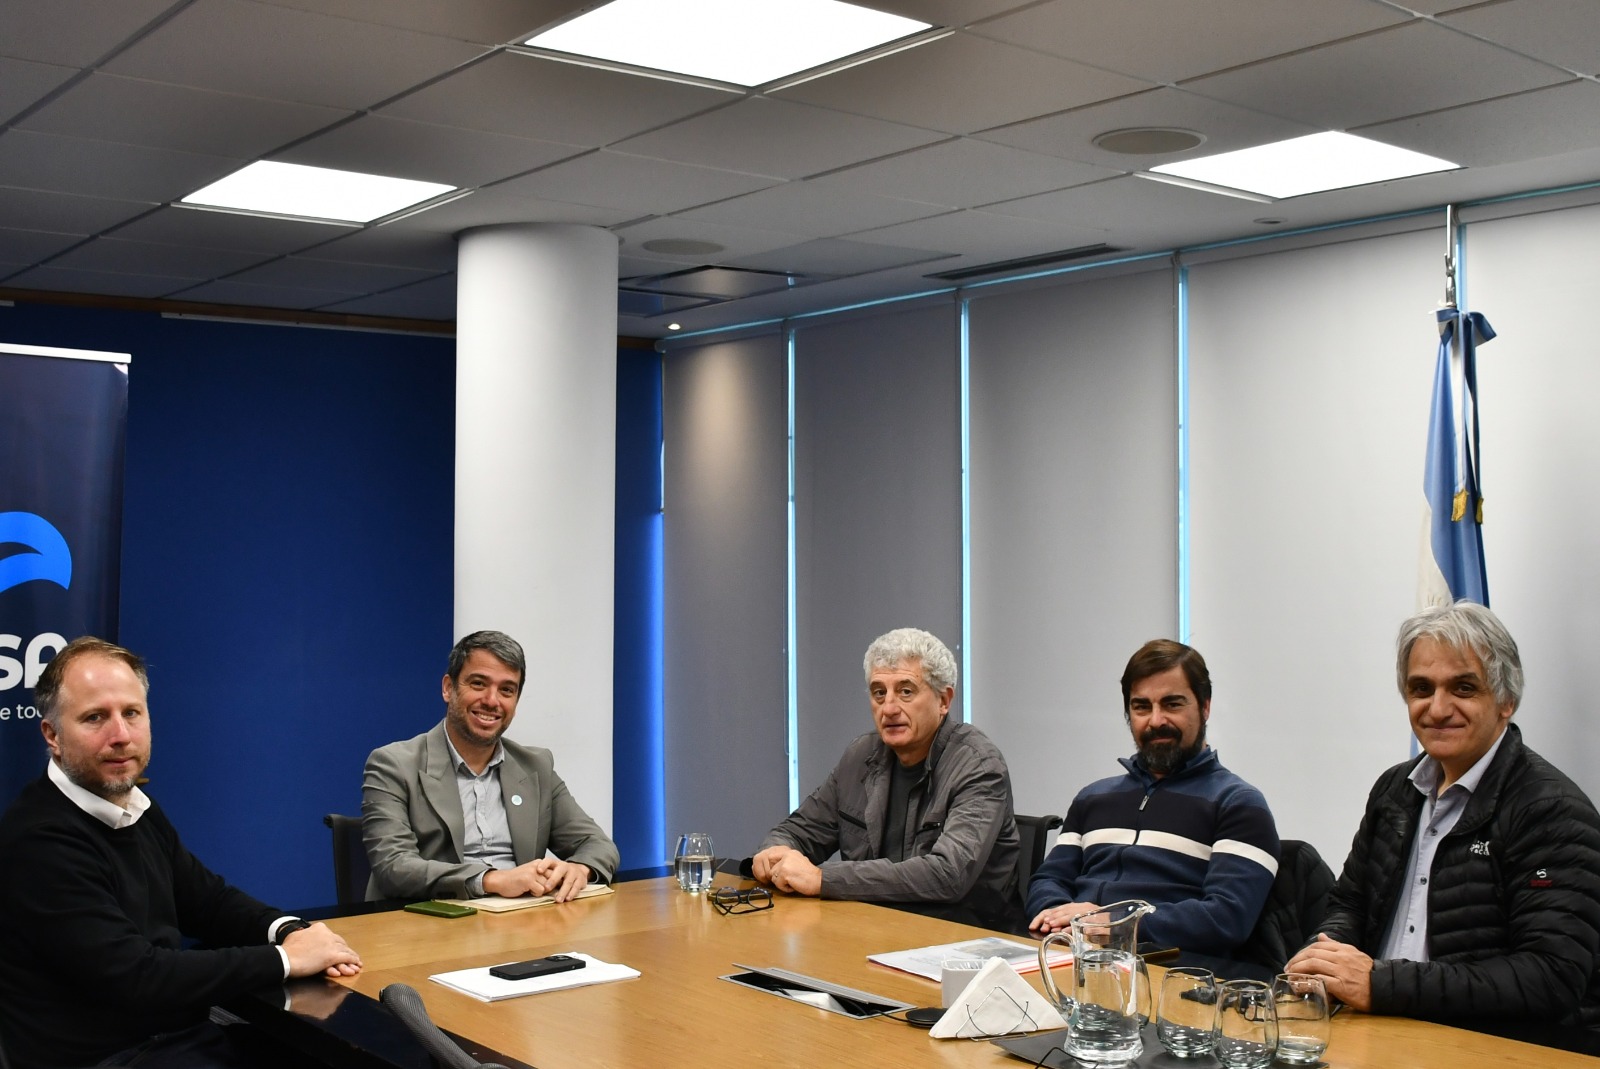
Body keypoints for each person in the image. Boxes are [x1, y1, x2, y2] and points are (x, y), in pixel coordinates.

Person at [0, 637, 362, 1069]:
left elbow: (208, 901)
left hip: (174, 1039)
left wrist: (290, 930)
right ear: (52, 735)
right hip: (109, 1058)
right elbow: (138, 976)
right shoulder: (39, 840)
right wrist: (287, 959)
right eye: (95, 717)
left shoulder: (134, 806)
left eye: (131, 713)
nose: (121, 735)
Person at [1287, 602, 1600, 1026]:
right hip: (1375, 1029)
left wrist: (1381, 984)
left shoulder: (1551, 811)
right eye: (1421, 689)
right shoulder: (1395, 789)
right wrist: (1326, 962)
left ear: (1506, 700)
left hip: (1481, 1045)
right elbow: (1351, 903)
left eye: (1463, 688)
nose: (1437, 708)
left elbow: (1550, 978)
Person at [753, 627, 1021, 930]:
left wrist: (823, 879)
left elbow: (948, 875)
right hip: (875, 928)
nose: (889, 708)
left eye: (906, 691)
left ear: (944, 700)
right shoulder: (861, 756)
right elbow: (801, 830)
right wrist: (775, 851)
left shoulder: (979, 766)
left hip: (963, 939)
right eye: (879, 693)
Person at [1026, 639, 1280, 956]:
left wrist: (1114, 922)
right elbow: (1047, 879)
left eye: (1172, 704)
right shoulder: (1093, 798)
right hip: (1071, 953)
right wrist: (1058, 918)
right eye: (1142, 707)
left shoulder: (1239, 804)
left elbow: (1226, 918)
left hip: (1165, 969)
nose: (1156, 720)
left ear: (1205, 707)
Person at [363, 629, 618, 902]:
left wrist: (579, 869)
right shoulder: (393, 765)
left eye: (506, 690)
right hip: (428, 918)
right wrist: (492, 880)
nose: (492, 701)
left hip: (520, 917)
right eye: (478, 684)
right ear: (448, 688)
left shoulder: (536, 766)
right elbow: (394, 866)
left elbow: (598, 845)